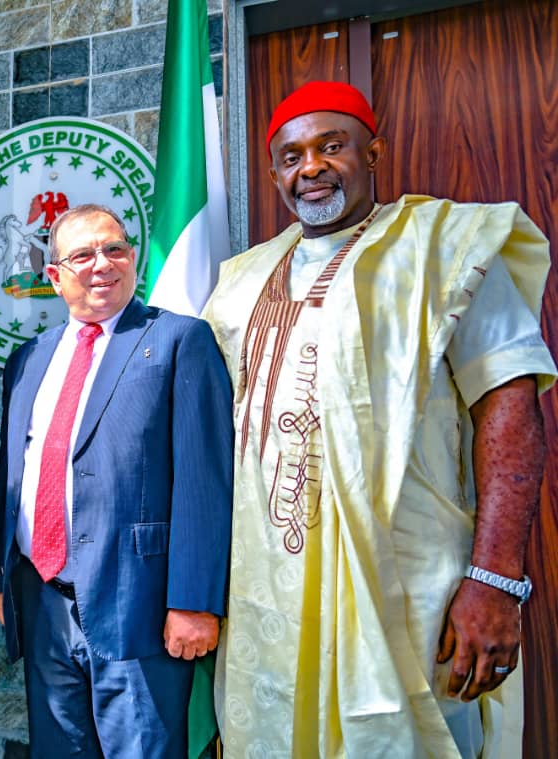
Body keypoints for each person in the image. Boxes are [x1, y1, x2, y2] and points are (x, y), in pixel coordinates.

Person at [203, 81, 556, 757]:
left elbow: (509, 407)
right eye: (291, 155)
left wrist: (494, 579)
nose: (310, 167)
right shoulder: (238, 282)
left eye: (331, 146)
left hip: (412, 584)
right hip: (267, 591)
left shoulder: (446, 247)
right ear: (274, 170)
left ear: (374, 152)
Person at [0, 204, 234, 757]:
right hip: (43, 600)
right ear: (54, 276)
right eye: (83, 255)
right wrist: (4, 583)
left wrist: (195, 601)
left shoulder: (178, 341)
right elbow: (12, 476)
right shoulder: (27, 359)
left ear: (133, 259)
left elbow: (205, 482)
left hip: (139, 606)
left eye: (115, 249)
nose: (103, 263)